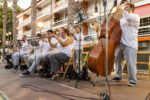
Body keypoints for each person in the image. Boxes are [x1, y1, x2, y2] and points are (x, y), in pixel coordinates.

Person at [112, 3, 140, 87]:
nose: (125, 9)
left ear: (131, 8)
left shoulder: (135, 17)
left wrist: (120, 9)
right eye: (124, 7)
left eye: (127, 7)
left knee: (130, 63)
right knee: (117, 60)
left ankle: (132, 80)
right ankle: (118, 75)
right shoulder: (122, 19)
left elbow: (128, 17)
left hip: (130, 43)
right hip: (121, 42)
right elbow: (115, 21)